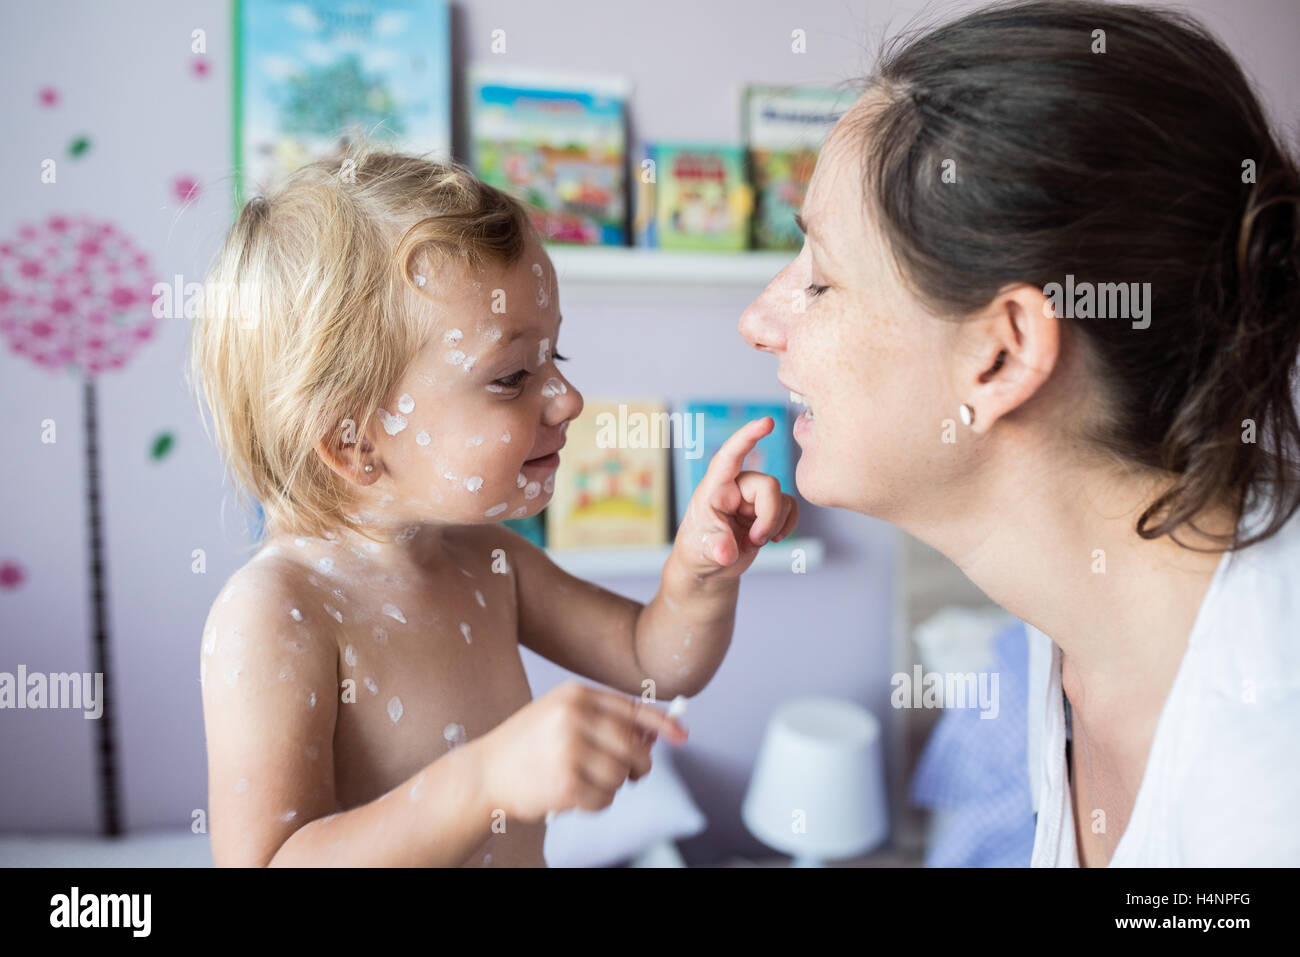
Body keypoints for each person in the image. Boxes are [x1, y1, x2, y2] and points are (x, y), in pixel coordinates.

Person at [740, 0, 1300, 866]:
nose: (760, 321)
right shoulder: (1067, 619)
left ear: (1000, 355)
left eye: (821, 283)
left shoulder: (1265, 787)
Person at [189, 147, 797, 866]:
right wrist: (489, 776)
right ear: (352, 442)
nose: (568, 400)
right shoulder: (274, 613)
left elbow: (652, 661)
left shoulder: (490, 560)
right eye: (512, 376)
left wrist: (701, 573)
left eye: (555, 359)